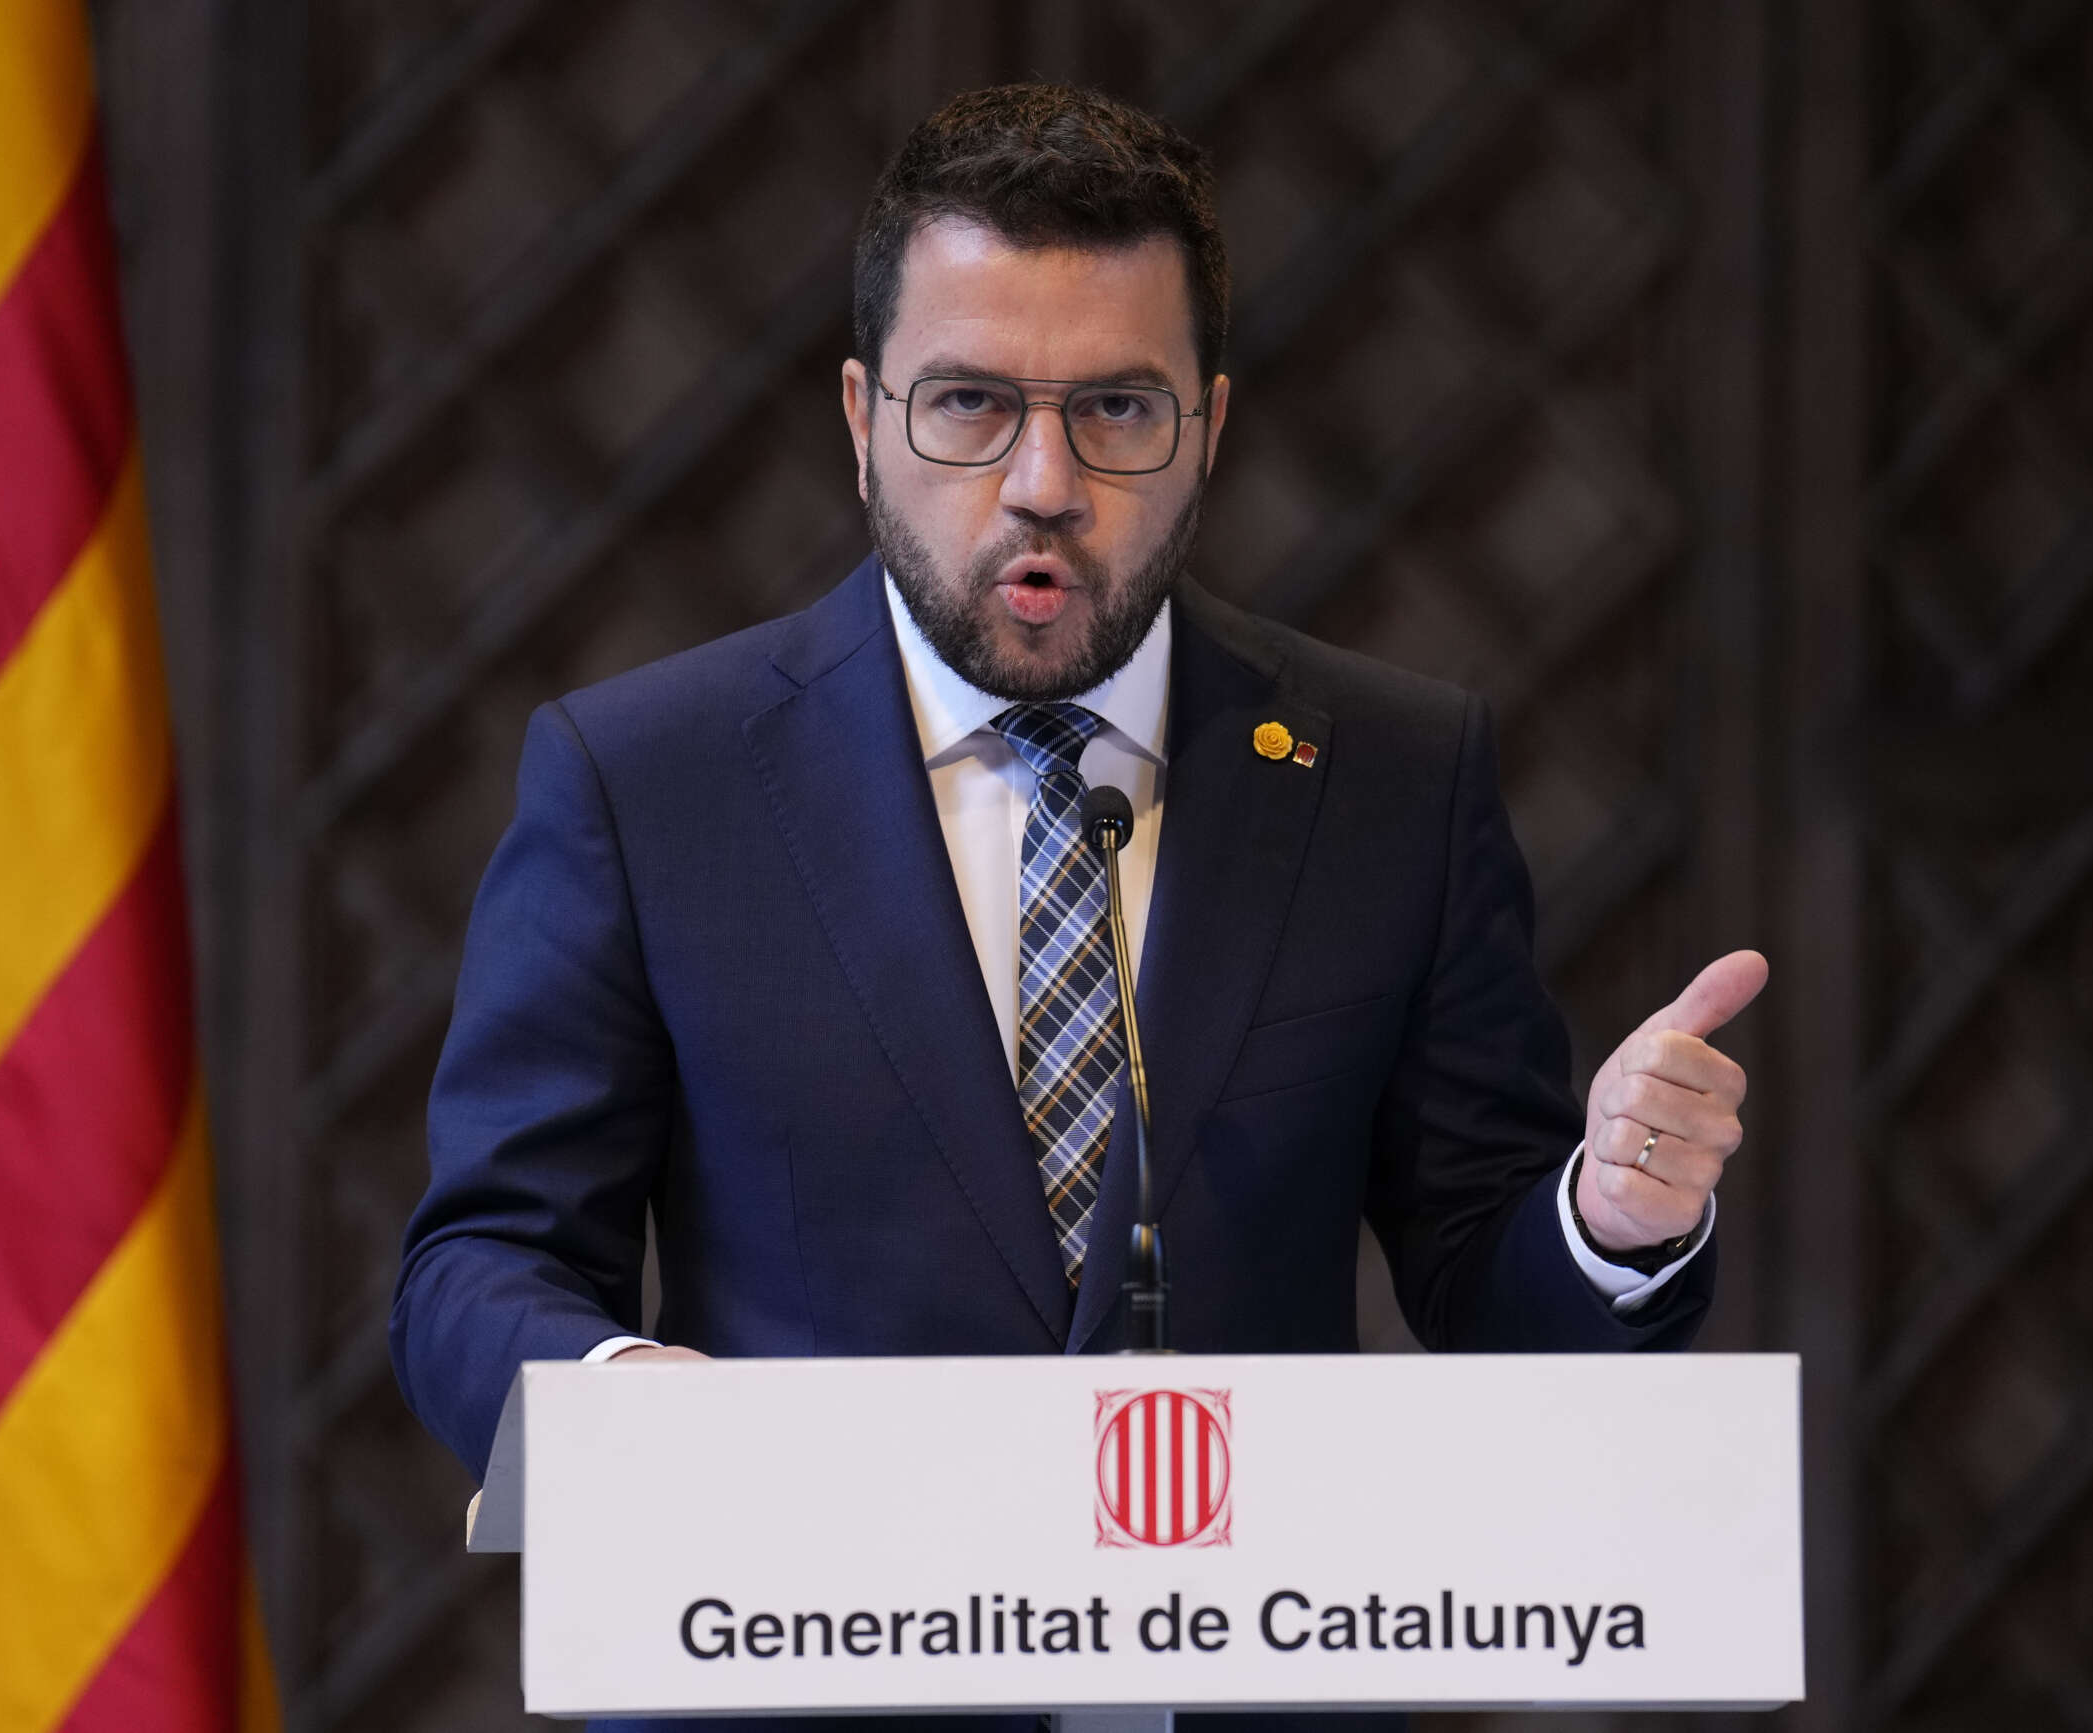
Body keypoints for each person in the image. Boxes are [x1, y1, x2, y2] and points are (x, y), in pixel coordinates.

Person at [393, 80, 1761, 1499]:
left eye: (1115, 407)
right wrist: (622, 1403)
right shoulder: (647, 780)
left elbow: (1485, 1282)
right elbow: (483, 1263)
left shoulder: (1391, 778)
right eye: (971, 403)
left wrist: (1609, 1220)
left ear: (1210, 425)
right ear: (864, 420)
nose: (1042, 481)